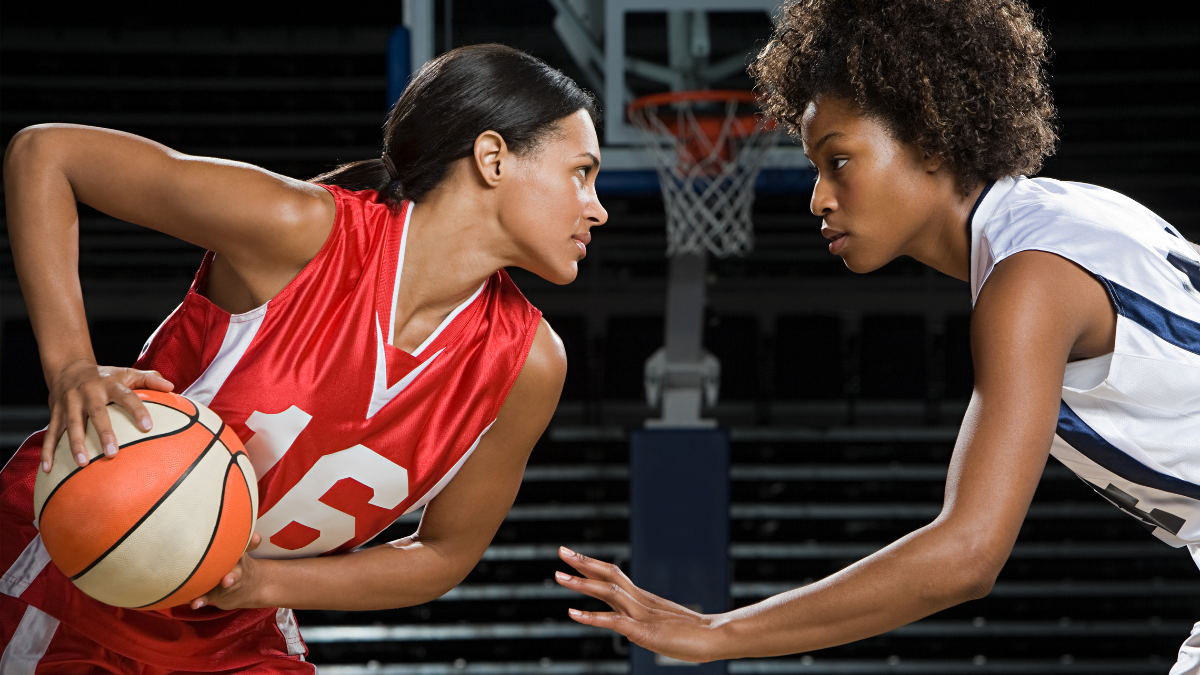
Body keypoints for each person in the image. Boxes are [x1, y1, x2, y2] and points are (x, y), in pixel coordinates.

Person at [554, 0, 1200, 672]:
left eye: (838, 161)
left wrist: (717, 631)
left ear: (929, 137)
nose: (818, 198)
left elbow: (967, 553)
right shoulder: (1062, 221)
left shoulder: (1028, 280)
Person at [0, 44, 607, 672]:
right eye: (581, 172)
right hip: (69, 575)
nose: (598, 207)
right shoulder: (302, 231)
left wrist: (263, 585)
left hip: (231, 630)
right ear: (492, 158)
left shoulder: (529, 364)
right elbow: (46, 154)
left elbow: (443, 555)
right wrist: (71, 364)